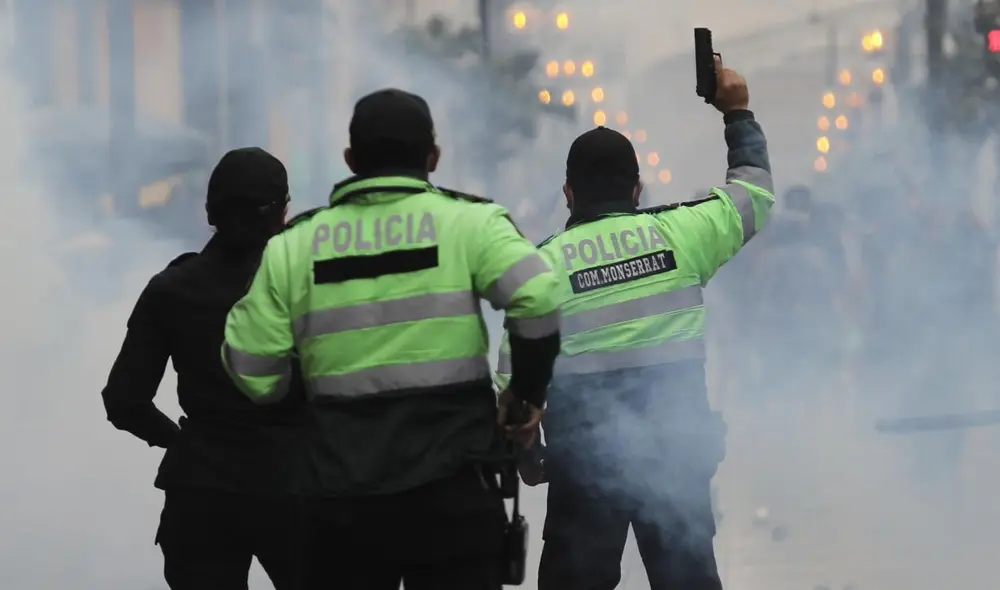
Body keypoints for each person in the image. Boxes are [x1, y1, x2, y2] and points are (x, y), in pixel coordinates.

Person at [221, 88, 562, 589]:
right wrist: (524, 396)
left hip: (341, 506)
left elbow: (251, 367)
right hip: (455, 495)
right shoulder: (471, 224)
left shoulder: (292, 247)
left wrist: (299, 402)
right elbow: (538, 296)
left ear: (352, 159)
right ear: (433, 157)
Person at [495, 59, 774, 590]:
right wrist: (737, 113)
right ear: (637, 189)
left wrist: (527, 456)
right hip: (675, 461)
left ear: (569, 195)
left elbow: (513, 389)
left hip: (581, 474)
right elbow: (755, 196)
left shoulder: (540, 269)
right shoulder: (683, 233)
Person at [101, 148, 305, 590]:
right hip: (296, 490)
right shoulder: (306, 286)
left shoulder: (170, 288)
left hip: (201, 494)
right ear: (281, 213)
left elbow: (123, 401)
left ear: (210, 211)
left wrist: (182, 442)